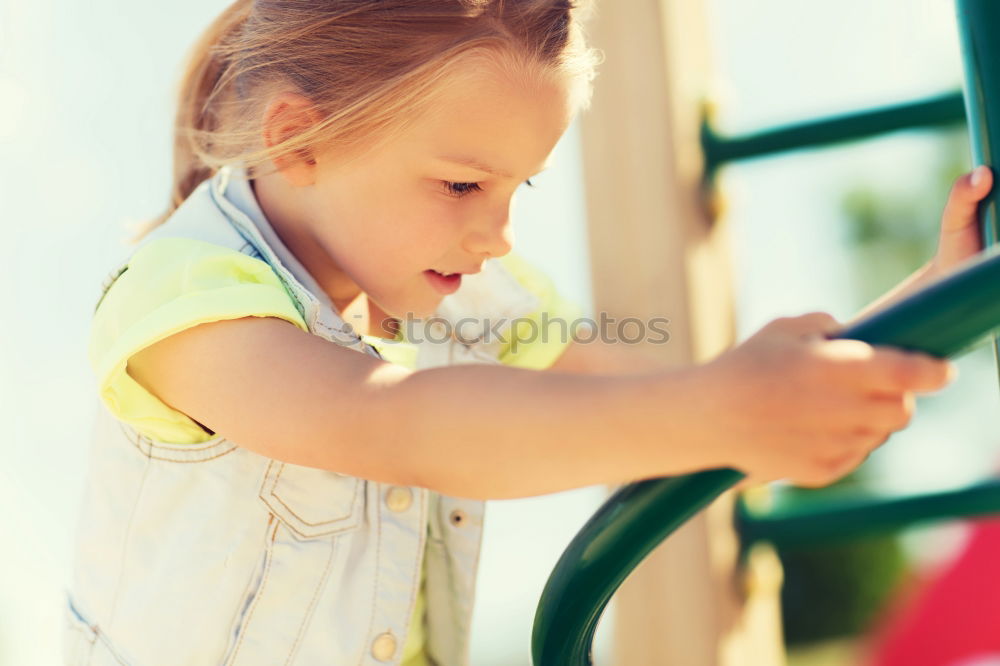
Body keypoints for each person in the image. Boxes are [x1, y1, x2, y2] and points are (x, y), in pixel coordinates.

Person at [62, 1, 994, 665]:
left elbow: (665, 412)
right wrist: (717, 410)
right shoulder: (187, 296)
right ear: (302, 139)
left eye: (519, 189)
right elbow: (398, 426)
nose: (497, 234)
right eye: (464, 185)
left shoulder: (466, 292)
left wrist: (922, 316)